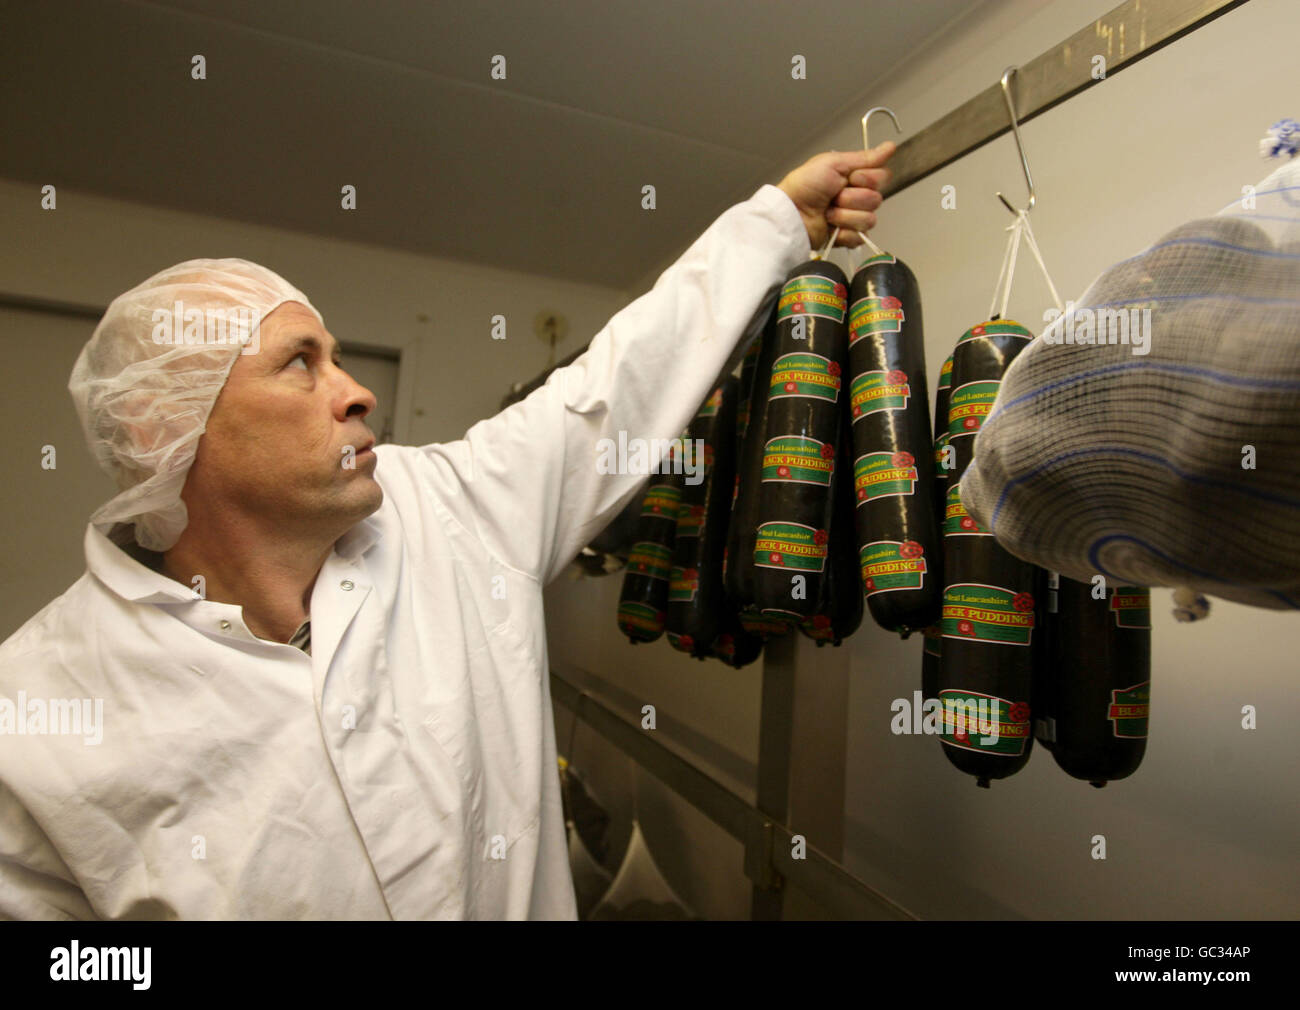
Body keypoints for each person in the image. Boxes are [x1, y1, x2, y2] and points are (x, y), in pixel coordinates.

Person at [0, 144, 895, 919]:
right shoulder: (34, 716)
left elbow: (609, 388)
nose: (356, 392)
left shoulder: (449, 509)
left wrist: (779, 218)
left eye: (340, 358)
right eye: (299, 365)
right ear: (167, 427)